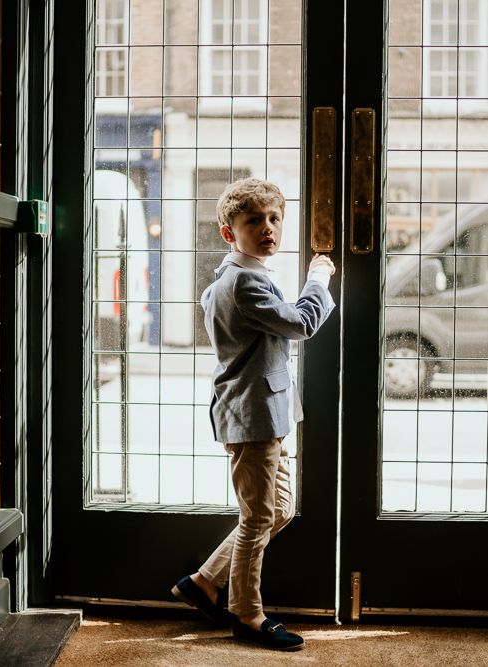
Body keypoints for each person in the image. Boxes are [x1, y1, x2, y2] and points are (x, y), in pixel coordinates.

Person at [171, 177, 336, 651]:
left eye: (275, 218)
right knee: (258, 517)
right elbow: (301, 323)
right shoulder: (243, 283)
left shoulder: (243, 277)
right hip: (252, 416)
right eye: (254, 221)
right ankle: (246, 613)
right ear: (229, 233)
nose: (268, 228)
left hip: (267, 414)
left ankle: (203, 583)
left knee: (276, 510)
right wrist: (318, 279)